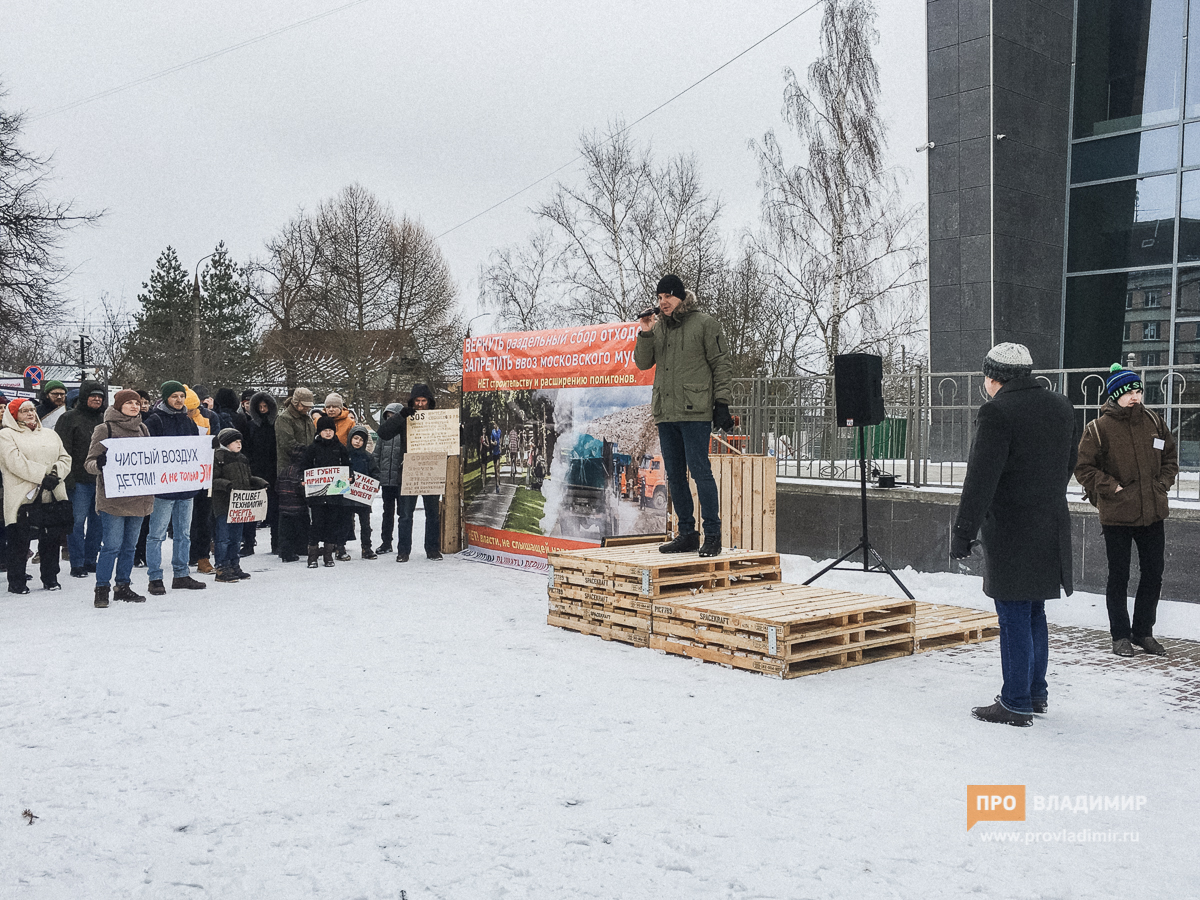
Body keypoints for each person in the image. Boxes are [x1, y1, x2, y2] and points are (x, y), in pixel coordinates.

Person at [950, 343, 1080, 727]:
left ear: (993, 378)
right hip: (1050, 523)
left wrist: (963, 533)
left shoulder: (997, 412)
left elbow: (980, 480)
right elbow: (1070, 461)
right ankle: (1035, 693)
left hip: (1011, 529)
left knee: (1012, 614)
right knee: (1034, 610)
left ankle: (1015, 701)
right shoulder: (1061, 406)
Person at [1075, 364, 1178, 658]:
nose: (1135, 396)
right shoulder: (1098, 429)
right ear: (1115, 395)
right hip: (1118, 514)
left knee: (1153, 573)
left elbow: (1170, 457)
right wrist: (1112, 487)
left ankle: (1143, 632)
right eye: (1129, 392)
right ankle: (1120, 635)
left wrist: (1162, 485)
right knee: (1119, 576)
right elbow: (1084, 468)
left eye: (1138, 391)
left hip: (1152, 511)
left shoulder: (1154, 422)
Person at [634, 273, 734, 557]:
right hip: (667, 412)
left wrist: (721, 403)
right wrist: (646, 331)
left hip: (695, 410)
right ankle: (687, 533)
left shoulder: (705, 324)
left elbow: (721, 365)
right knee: (675, 476)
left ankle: (712, 535)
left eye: (667, 296)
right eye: (659, 297)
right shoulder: (659, 327)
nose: (662, 302)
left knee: (701, 472)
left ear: (680, 296)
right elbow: (643, 362)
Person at [85, 389, 155, 607]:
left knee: (129, 547)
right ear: (118, 406)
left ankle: (123, 585)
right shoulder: (104, 429)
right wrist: (100, 464)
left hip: (139, 496)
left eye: (137, 402)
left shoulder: (143, 428)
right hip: (113, 499)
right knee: (112, 546)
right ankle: (102, 588)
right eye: (129, 403)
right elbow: (89, 463)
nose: (134, 406)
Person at [0, 398, 72, 593]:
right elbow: (15, 462)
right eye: (24, 411)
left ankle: (50, 578)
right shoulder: (6, 435)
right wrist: (42, 476)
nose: (31, 413)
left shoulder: (50, 434)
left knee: (50, 539)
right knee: (19, 540)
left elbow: (65, 457)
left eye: (32, 410)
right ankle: (17, 581)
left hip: (52, 493)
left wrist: (56, 474)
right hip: (23, 495)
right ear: (14, 415)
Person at [142, 381, 206, 596]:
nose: (179, 400)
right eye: (174, 396)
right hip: (163, 487)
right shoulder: (154, 420)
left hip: (186, 486)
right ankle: (155, 577)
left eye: (181, 396)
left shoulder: (188, 421)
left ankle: (181, 574)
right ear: (165, 398)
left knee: (183, 534)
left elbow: (194, 451)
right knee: (156, 534)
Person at [376, 384, 443, 562]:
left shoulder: (438, 419)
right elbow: (383, 433)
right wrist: (401, 416)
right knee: (405, 515)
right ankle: (403, 551)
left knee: (432, 514)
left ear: (429, 402)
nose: (420, 404)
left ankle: (432, 549)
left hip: (431, 470)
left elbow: (451, 442)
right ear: (412, 402)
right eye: (417, 401)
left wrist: (456, 431)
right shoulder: (405, 419)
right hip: (408, 470)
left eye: (423, 401)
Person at [54, 381, 106, 578]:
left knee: (98, 523)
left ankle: (91, 560)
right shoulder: (69, 418)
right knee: (76, 522)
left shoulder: (103, 419)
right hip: (77, 480)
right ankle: (77, 562)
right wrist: (66, 478)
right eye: (93, 395)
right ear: (84, 397)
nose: (96, 399)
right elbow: (62, 450)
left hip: (101, 481)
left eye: (100, 396)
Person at [211, 428, 269, 583]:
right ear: (226, 443)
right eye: (235, 441)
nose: (239, 444)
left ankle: (234, 565)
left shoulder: (242, 458)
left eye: (240, 441)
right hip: (223, 503)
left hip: (240, 505)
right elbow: (212, 479)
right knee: (223, 537)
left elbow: (248, 477)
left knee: (236, 538)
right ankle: (222, 567)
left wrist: (260, 482)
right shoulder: (218, 457)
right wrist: (227, 485)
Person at [301, 414, 350, 568]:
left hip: (335, 494)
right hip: (317, 496)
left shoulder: (340, 448)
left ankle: (328, 556)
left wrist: (351, 477)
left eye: (330, 430)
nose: (328, 433)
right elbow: (305, 467)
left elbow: (348, 466)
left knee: (332, 524)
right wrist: (304, 480)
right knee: (316, 524)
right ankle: (312, 556)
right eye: (324, 430)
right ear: (319, 432)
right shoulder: (312, 448)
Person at [183, 385, 219, 574]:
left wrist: (215, 443)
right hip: (178, 476)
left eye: (192, 409)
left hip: (203, 473)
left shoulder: (210, 417)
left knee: (203, 518)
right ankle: (185, 555)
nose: (189, 413)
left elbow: (218, 442)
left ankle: (202, 556)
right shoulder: (173, 418)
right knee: (183, 520)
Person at [239, 391, 279, 557]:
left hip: (273, 469)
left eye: (265, 406)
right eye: (260, 407)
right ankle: (249, 543)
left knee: (275, 508)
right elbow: (247, 447)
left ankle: (276, 543)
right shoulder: (251, 425)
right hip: (256, 469)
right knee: (253, 508)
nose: (263, 409)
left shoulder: (276, 424)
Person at [371, 402, 406, 554]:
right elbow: (376, 455)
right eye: (388, 417)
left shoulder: (405, 434)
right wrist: (376, 475)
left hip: (401, 480)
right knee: (387, 512)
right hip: (386, 480)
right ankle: (386, 542)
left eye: (393, 416)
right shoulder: (383, 435)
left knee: (403, 513)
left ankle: (403, 544)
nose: (390, 419)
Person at [345, 424, 379, 559]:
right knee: (344, 523)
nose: (357, 442)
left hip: (363, 498)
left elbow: (375, 473)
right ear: (350, 439)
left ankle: (366, 548)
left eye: (361, 440)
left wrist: (376, 485)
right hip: (346, 496)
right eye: (355, 438)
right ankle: (340, 547)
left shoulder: (368, 457)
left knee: (365, 525)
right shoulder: (344, 455)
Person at [276, 445, 310, 563]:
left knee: (286, 532)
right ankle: (300, 549)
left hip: (284, 506)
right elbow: (303, 491)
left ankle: (285, 552)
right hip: (299, 507)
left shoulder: (284, 470)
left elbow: (277, 487)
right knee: (301, 529)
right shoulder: (302, 473)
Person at [276, 387, 316, 477]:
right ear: (296, 402)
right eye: (304, 405)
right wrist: (310, 452)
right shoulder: (284, 419)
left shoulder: (308, 419)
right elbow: (287, 444)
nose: (307, 407)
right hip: (289, 469)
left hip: (306, 467)